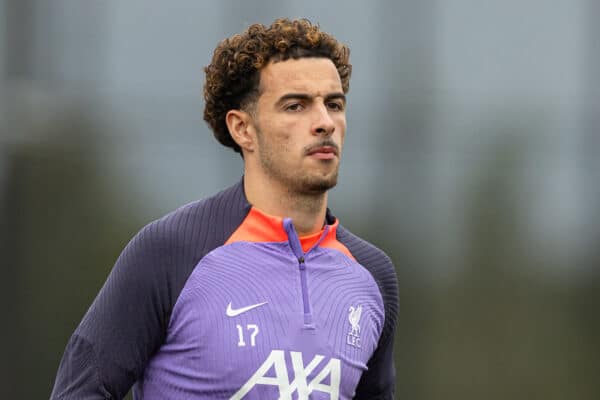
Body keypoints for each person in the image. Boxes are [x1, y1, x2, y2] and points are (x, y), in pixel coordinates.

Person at [51, 18, 398, 399]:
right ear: (242, 129)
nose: (324, 123)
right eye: (296, 106)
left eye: (334, 104)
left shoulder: (372, 276)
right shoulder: (170, 252)